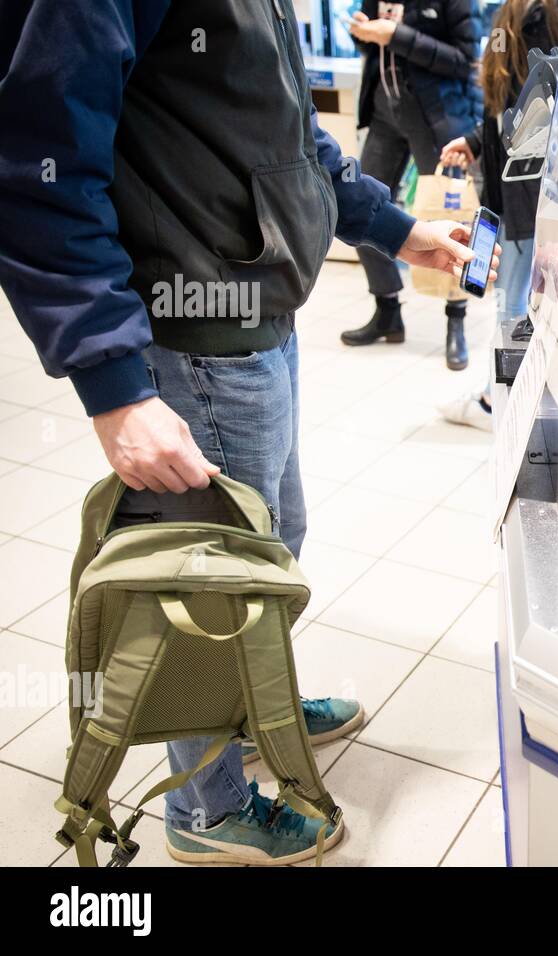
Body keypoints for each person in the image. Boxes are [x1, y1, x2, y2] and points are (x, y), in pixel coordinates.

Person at [0, 0, 496, 864]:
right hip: (188, 333)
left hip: (256, 310)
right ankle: (208, 805)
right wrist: (114, 387)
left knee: (270, 547)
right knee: (211, 592)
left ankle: (250, 708)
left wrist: (394, 226)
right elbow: (38, 155)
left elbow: (290, 133)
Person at [437, 0, 558, 429]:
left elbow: (546, 114)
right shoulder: (509, 14)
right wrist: (476, 142)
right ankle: (503, 396)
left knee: (515, 302)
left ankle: (499, 402)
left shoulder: (550, 18)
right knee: (512, 299)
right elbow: (504, 111)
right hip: (512, 193)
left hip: (530, 196)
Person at [340, 0, 482, 370]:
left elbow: (463, 58)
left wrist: (397, 36)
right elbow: (370, 44)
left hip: (435, 116)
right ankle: (387, 310)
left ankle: (456, 320)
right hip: (385, 113)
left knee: (451, 218)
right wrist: (363, 32)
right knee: (360, 204)